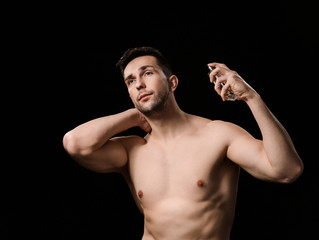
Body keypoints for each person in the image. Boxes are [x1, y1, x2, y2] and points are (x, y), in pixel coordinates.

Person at [63, 46, 303, 239]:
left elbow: (286, 170)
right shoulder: (133, 150)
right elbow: (75, 143)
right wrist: (134, 116)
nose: (139, 84)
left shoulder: (217, 135)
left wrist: (251, 97)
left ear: (172, 83)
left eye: (147, 73)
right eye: (130, 81)